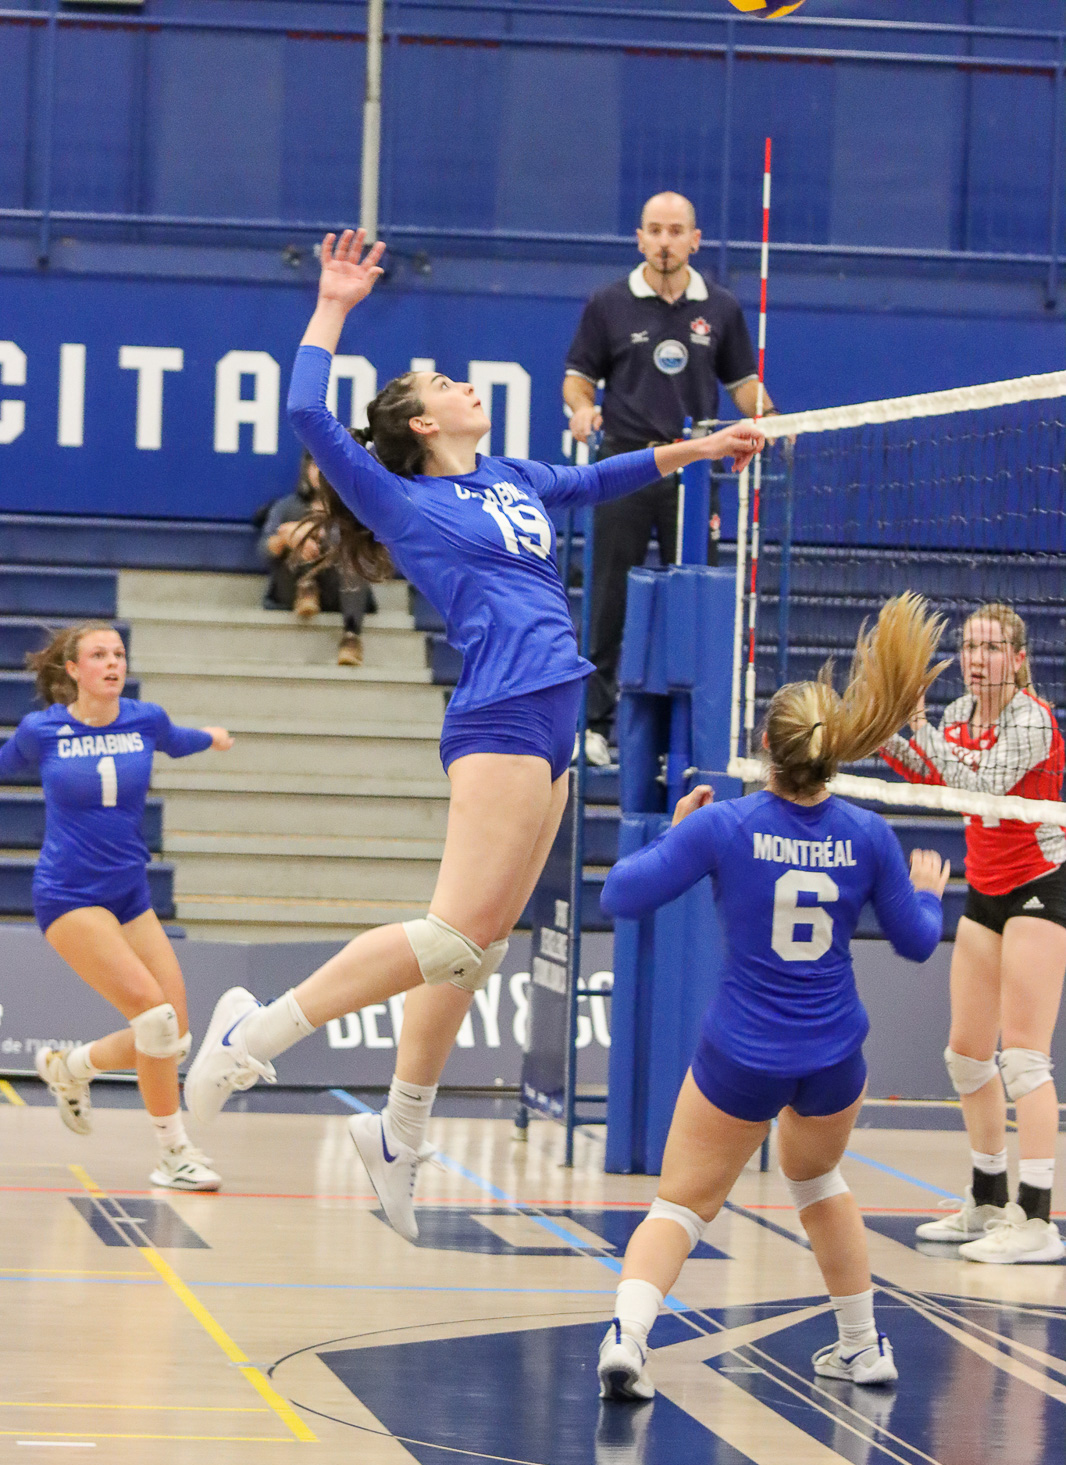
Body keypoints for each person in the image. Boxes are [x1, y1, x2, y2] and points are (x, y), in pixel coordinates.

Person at [184, 227, 765, 1241]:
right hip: (500, 709)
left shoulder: (510, 477)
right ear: (420, 421)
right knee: (453, 934)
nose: (463, 385)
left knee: (476, 952)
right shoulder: (400, 497)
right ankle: (251, 1034)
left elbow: (601, 479)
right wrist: (333, 305)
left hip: (555, 708)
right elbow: (308, 411)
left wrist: (700, 449)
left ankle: (398, 1133)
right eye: (444, 383)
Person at [595, 594, 949, 1401]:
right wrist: (929, 893)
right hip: (832, 1057)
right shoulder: (869, 834)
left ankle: (628, 1340)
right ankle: (862, 1347)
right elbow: (917, 941)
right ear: (833, 754)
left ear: (766, 749)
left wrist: (672, 831)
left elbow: (620, 895)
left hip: (742, 1053)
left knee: (681, 1205)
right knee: (818, 1184)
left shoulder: (724, 825)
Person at [0, 623, 234, 1190]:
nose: (113, 663)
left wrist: (211, 737)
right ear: (73, 670)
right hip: (68, 894)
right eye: (99, 655)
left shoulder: (144, 719)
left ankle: (69, 1067)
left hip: (130, 893)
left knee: (174, 1036)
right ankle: (173, 1153)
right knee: (154, 1020)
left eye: (119, 654)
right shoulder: (42, 730)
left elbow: (177, 739)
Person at [563, 190, 783, 765]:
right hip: (625, 469)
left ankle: (686, 738)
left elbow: (743, 386)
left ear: (695, 240)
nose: (665, 241)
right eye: (655, 230)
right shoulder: (608, 303)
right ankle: (594, 727)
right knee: (608, 600)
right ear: (640, 239)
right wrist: (582, 409)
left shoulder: (722, 308)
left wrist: (770, 415)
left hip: (693, 473)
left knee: (693, 597)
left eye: (675, 230)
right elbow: (578, 378)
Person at [882, 602, 1065, 1264]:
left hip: (1042, 884)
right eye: (969, 647)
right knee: (966, 1055)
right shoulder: (959, 714)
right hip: (986, 888)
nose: (977, 660)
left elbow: (981, 784)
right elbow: (932, 775)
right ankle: (987, 1200)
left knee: (1024, 1059)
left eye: (991, 649)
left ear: (1018, 659)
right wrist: (884, 728)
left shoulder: (1032, 720)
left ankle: (1037, 1220)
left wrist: (918, 727)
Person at [259, 450, 377, 666]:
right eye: (315, 466)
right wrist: (288, 537)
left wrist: (328, 535)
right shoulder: (287, 506)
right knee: (300, 529)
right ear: (306, 470)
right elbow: (265, 549)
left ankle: (351, 637)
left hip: (340, 590)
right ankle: (307, 588)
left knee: (352, 552)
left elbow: (372, 555)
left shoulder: (353, 509)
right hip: (292, 586)